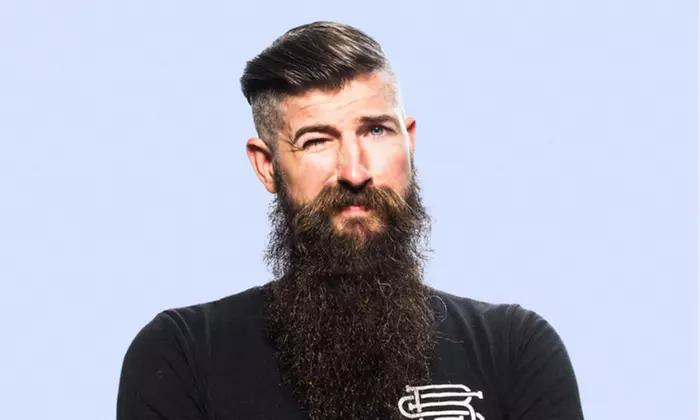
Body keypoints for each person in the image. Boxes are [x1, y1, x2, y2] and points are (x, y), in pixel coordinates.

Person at [116, 21, 585, 420]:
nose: (355, 172)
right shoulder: (184, 356)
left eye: (376, 130)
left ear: (409, 141)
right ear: (267, 165)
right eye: (317, 140)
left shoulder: (514, 351)